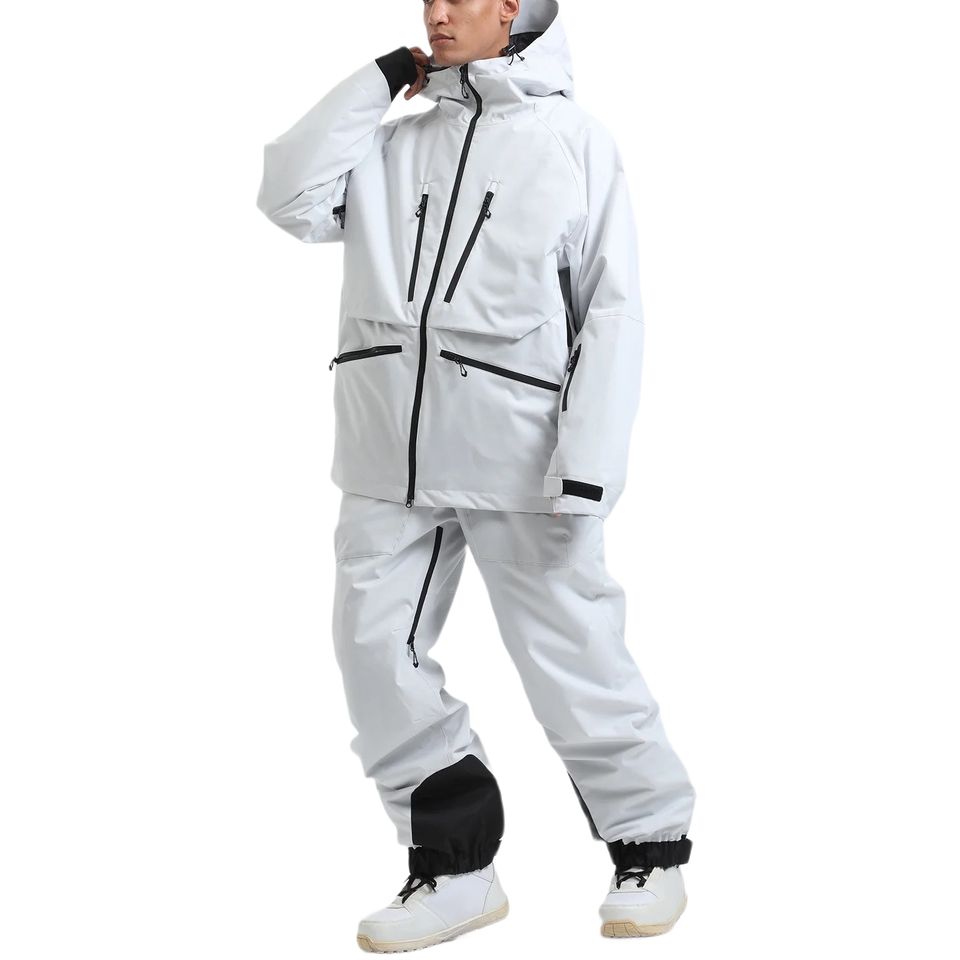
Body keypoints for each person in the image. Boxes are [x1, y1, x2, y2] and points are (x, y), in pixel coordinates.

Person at [256, 0, 696, 951]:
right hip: (387, 448)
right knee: (373, 652)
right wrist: (377, 82)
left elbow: (612, 310)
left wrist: (589, 467)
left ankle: (650, 848)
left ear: (512, 11)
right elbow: (288, 198)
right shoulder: (391, 139)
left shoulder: (574, 142)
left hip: (520, 453)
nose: (437, 13)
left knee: (570, 650)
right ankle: (455, 868)